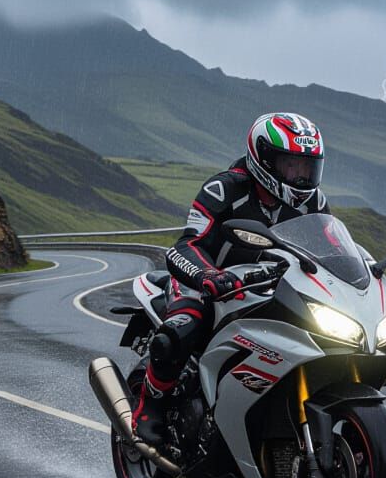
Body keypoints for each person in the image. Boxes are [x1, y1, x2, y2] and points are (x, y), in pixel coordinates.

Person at [132, 112, 329, 445]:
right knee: (181, 328)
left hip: (267, 286)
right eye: (291, 166)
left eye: (308, 168)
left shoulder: (315, 203)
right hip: (208, 282)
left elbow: (328, 250)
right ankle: (149, 409)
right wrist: (208, 276)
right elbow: (184, 246)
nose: (301, 177)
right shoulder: (224, 189)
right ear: (264, 158)